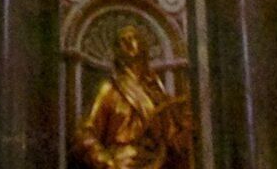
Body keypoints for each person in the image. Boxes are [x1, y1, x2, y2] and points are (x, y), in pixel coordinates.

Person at [70, 22, 194, 169]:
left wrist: (186, 131)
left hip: (158, 163)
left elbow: (171, 141)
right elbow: (84, 134)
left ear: (144, 47)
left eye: (133, 38)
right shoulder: (110, 90)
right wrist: (106, 161)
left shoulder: (158, 94)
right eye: (123, 40)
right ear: (116, 52)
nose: (128, 42)